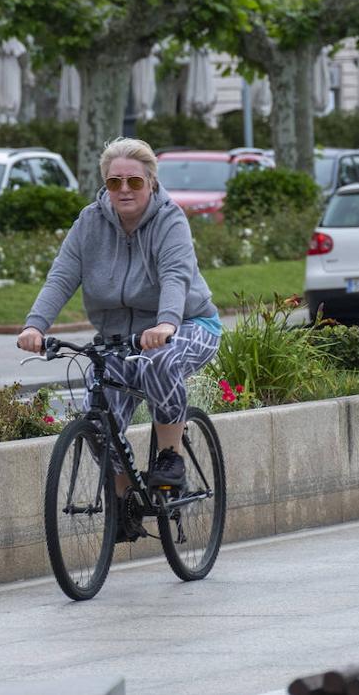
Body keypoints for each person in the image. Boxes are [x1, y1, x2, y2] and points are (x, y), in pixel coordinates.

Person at [17, 137, 222, 538]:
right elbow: (62, 276)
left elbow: (175, 276)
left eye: (134, 181)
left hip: (188, 324)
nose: (124, 190)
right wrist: (34, 326)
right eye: (114, 183)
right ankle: (126, 497)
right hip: (120, 337)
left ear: (151, 182)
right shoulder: (90, 223)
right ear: (106, 186)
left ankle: (170, 456)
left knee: (159, 361)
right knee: (97, 412)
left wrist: (166, 324)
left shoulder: (170, 220)